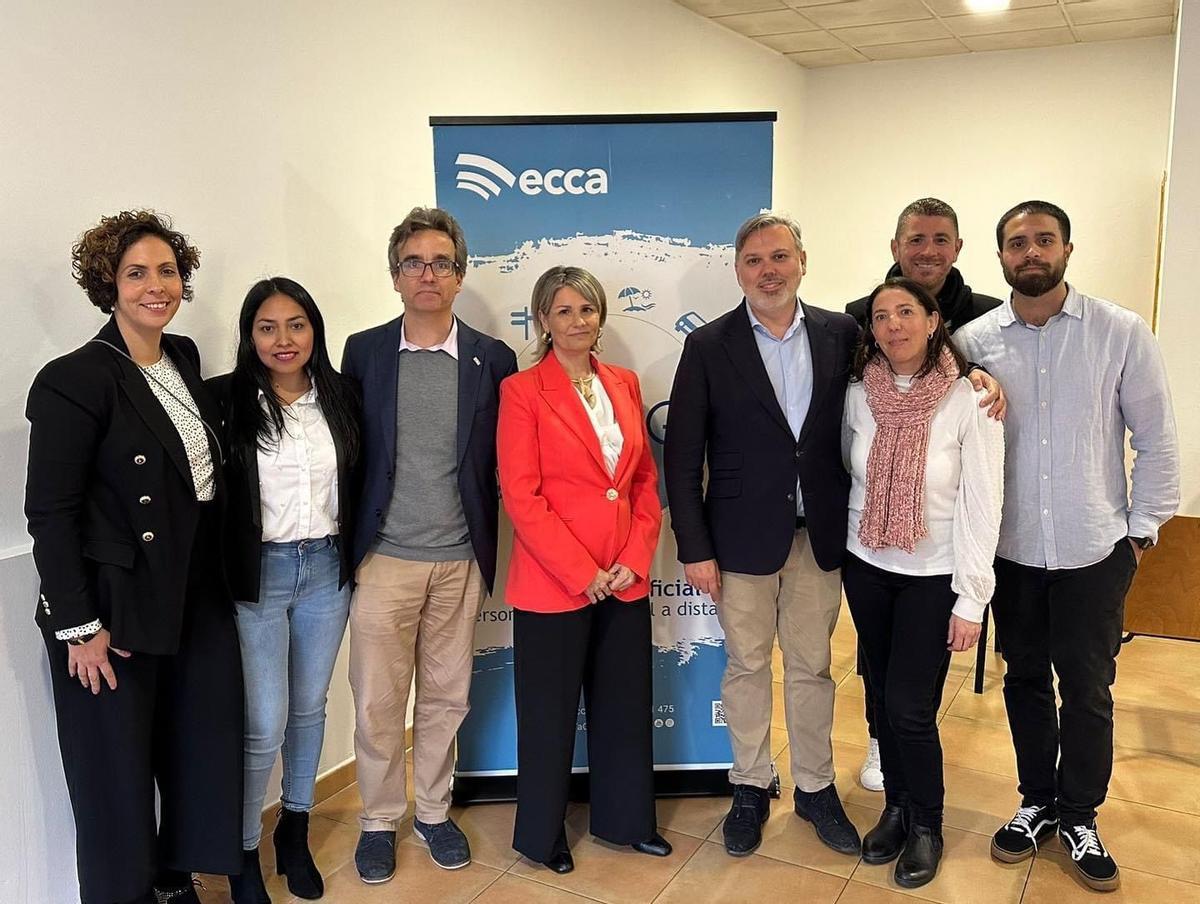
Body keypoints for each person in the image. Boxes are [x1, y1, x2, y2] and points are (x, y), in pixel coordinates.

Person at [955, 200, 1180, 893]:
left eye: (1042, 240)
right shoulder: (974, 340)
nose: (1031, 252)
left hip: (1094, 548)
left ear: (1067, 249)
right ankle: (1036, 802)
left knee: (1088, 689)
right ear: (999, 258)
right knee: (1024, 680)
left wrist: (1139, 535)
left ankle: (1080, 813)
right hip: (1013, 550)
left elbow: (1159, 438)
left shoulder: (1119, 332)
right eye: (1017, 243)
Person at [24, 210, 241, 904]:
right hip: (113, 607)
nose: (157, 285)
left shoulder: (182, 356)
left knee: (190, 755)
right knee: (114, 781)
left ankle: (177, 885)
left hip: (190, 595)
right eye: (137, 273)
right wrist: (79, 627)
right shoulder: (74, 379)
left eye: (168, 271)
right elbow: (50, 515)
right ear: (107, 284)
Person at [664, 212, 863, 859]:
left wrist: (976, 375)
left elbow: (905, 379)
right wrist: (694, 546)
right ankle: (750, 784)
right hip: (739, 542)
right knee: (747, 666)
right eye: (754, 260)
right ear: (738, 271)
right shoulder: (710, 346)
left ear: (801, 260)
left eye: (779, 256)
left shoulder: (843, 334)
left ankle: (815, 787)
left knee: (811, 668)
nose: (768, 270)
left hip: (820, 539)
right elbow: (682, 454)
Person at [341, 206, 517, 881]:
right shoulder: (363, 352)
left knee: (447, 696)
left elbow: (507, 457)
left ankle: (435, 813)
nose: (427, 274)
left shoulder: (491, 358)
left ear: (459, 275)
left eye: (441, 263)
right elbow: (351, 455)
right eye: (413, 262)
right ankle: (379, 819)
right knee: (378, 701)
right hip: (383, 558)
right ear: (395, 276)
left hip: (458, 560)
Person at [497, 266, 671, 874]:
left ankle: (628, 821)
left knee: (624, 705)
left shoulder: (623, 382)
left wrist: (632, 558)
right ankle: (542, 836)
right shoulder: (522, 392)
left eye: (588, 310)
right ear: (543, 319)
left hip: (623, 577)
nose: (578, 321)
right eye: (564, 311)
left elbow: (644, 481)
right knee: (547, 715)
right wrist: (581, 569)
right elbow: (521, 495)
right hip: (555, 581)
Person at [841, 277, 1004, 888]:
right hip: (869, 566)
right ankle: (897, 809)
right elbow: (844, 472)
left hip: (933, 576)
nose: (893, 326)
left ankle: (927, 825)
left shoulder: (971, 397)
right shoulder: (859, 393)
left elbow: (983, 503)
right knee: (882, 697)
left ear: (934, 320)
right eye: (882, 317)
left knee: (911, 709)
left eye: (906, 312)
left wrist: (971, 597)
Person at [207, 277, 362, 903]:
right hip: (258, 576)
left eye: (296, 324)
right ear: (249, 336)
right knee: (263, 723)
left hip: (326, 568)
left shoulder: (343, 397)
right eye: (267, 327)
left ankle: (293, 832)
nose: (283, 339)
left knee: (309, 710)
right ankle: (243, 852)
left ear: (314, 330)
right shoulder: (221, 400)